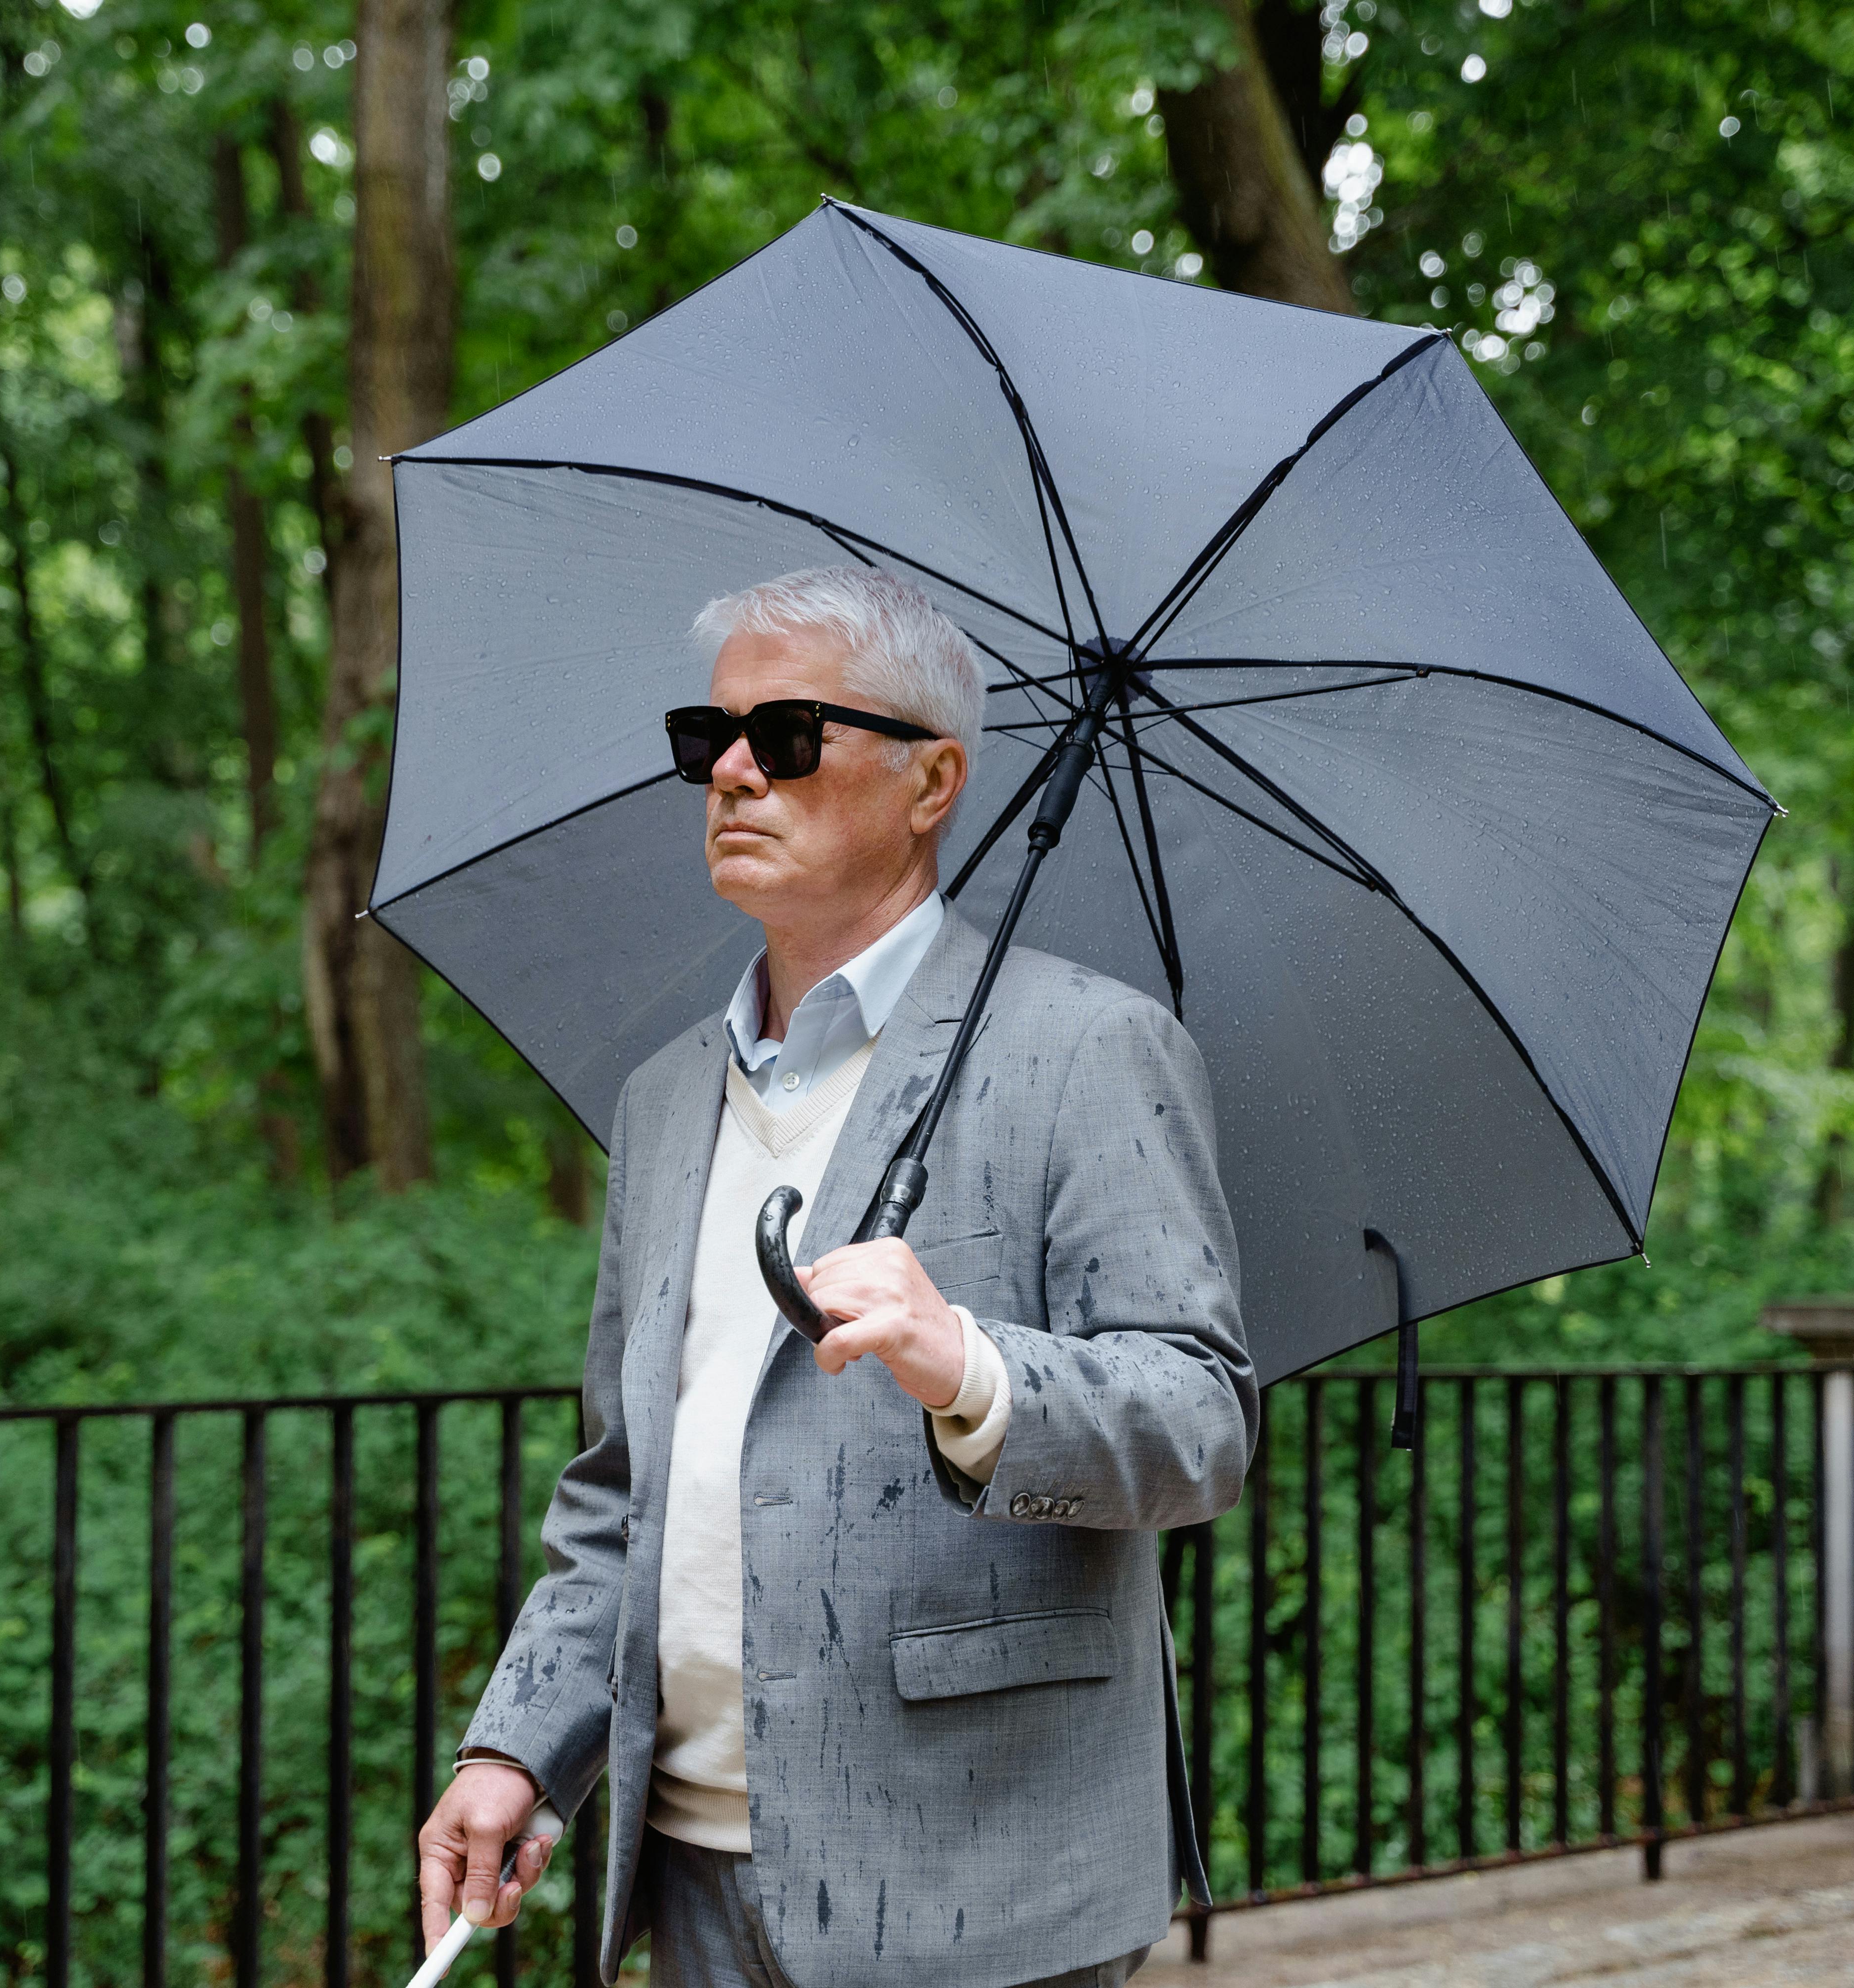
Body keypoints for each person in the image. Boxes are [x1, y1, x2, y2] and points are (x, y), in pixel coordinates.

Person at [415, 566, 1256, 1988]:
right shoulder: (665, 1099)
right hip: (682, 1878)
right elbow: (628, 1484)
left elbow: (1202, 1424)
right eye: (709, 737)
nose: (733, 772)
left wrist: (975, 1371)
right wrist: (522, 1744)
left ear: (933, 782)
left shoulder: (1091, 1049)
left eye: (789, 733)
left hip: (979, 1884)